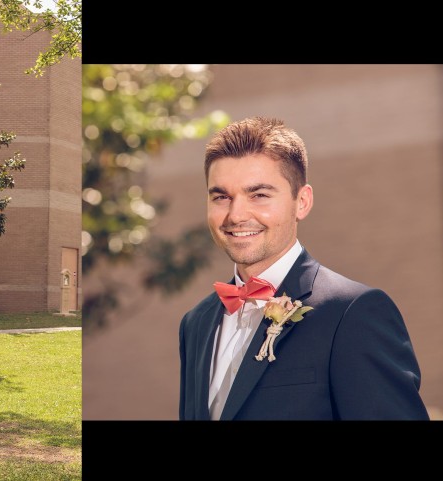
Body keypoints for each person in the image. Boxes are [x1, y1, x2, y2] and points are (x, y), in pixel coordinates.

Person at [179, 116, 429, 420]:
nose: (236, 214)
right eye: (221, 197)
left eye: (259, 194)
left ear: (302, 202)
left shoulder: (354, 313)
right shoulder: (196, 324)